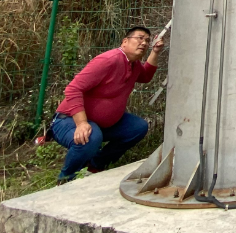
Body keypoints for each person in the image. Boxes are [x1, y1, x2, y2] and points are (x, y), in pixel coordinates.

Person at [51, 25, 164, 184]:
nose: (144, 43)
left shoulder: (134, 64)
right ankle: (66, 179)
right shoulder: (108, 60)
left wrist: (155, 52)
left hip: (103, 124)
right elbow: (73, 89)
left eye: (147, 40)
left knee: (138, 127)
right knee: (90, 137)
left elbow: (145, 77)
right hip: (67, 120)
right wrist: (81, 123)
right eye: (139, 38)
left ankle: (95, 165)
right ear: (125, 41)